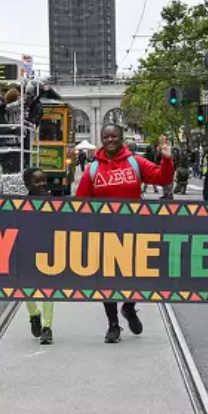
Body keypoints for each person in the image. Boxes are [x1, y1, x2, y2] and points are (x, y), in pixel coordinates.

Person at [76, 127, 174, 343]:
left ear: (121, 139)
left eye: (114, 136)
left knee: (139, 276)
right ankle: (113, 325)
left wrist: (166, 159)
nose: (110, 139)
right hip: (105, 235)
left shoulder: (135, 163)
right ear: (101, 140)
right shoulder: (92, 169)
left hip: (135, 233)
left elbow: (164, 178)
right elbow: (80, 203)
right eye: (106, 137)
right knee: (107, 281)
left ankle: (129, 307)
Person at [23, 168, 56, 345]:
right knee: (26, 288)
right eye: (37, 181)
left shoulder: (54, 204)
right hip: (27, 251)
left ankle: (47, 327)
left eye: (44, 180)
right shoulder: (21, 206)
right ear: (28, 185)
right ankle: (34, 314)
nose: (43, 184)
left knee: (48, 289)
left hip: (48, 252)